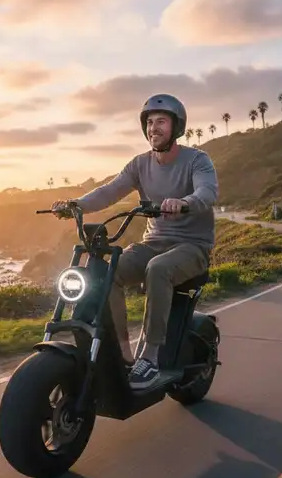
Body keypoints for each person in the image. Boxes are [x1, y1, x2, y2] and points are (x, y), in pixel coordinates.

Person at [50, 93, 219, 389]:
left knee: (158, 268)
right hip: (154, 242)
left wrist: (185, 202)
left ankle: (151, 357)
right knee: (107, 272)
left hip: (192, 247)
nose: (154, 128)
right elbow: (110, 191)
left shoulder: (197, 160)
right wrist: (75, 204)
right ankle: (125, 353)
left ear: (176, 127)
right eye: (150, 122)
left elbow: (207, 193)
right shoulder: (140, 164)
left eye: (161, 122)